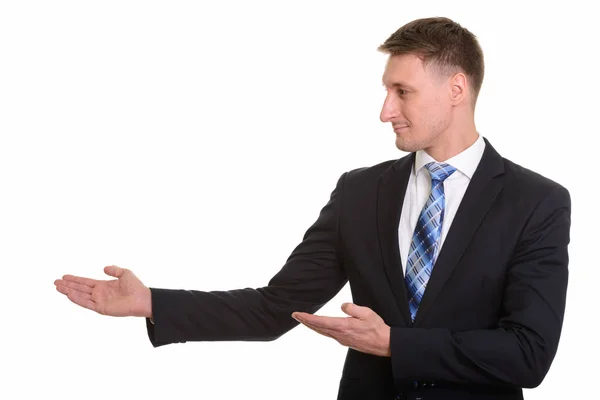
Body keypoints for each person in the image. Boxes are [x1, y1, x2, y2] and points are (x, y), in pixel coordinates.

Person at [54, 16, 571, 400]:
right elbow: (274, 307)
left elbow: (528, 354)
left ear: (456, 88)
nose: (385, 110)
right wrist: (153, 303)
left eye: (402, 91)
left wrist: (394, 344)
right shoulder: (360, 192)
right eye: (386, 90)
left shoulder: (536, 202)